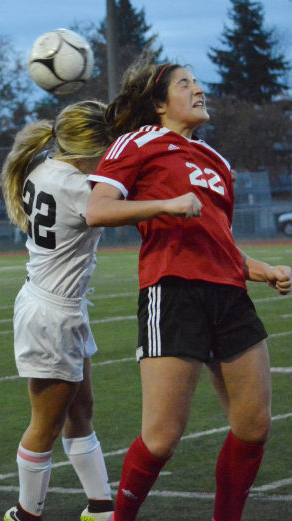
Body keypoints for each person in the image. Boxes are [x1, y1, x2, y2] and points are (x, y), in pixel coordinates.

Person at [86, 60, 292, 521]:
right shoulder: (138, 142)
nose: (199, 89)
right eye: (186, 84)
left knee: (254, 427)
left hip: (230, 296)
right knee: (161, 438)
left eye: (198, 83)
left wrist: (265, 270)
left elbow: (221, 244)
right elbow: (96, 211)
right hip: (173, 292)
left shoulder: (218, 161)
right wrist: (167, 205)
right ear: (160, 103)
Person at [0, 100, 114, 521]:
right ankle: (27, 514)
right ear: (91, 149)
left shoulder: (48, 169)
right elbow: (117, 210)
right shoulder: (74, 186)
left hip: (59, 307)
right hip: (52, 314)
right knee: (45, 423)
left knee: (80, 410)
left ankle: (101, 506)